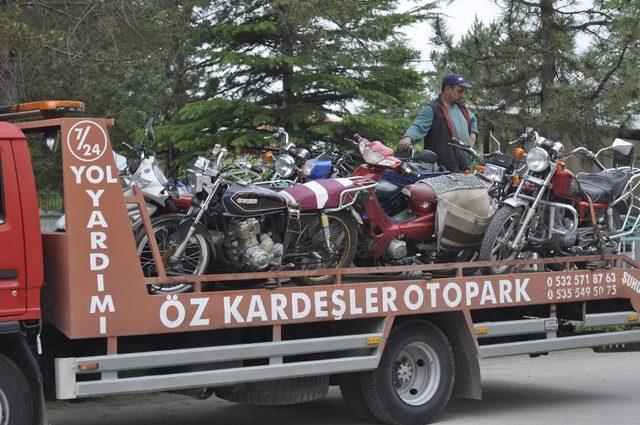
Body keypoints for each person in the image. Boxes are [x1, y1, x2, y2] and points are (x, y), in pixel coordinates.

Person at [398, 73, 478, 171]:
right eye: (459, 91)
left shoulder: (462, 108)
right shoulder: (432, 108)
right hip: (441, 170)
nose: (462, 95)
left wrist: (472, 136)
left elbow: (473, 119)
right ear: (448, 88)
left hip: (465, 169)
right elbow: (418, 126)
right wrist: (408, 137)